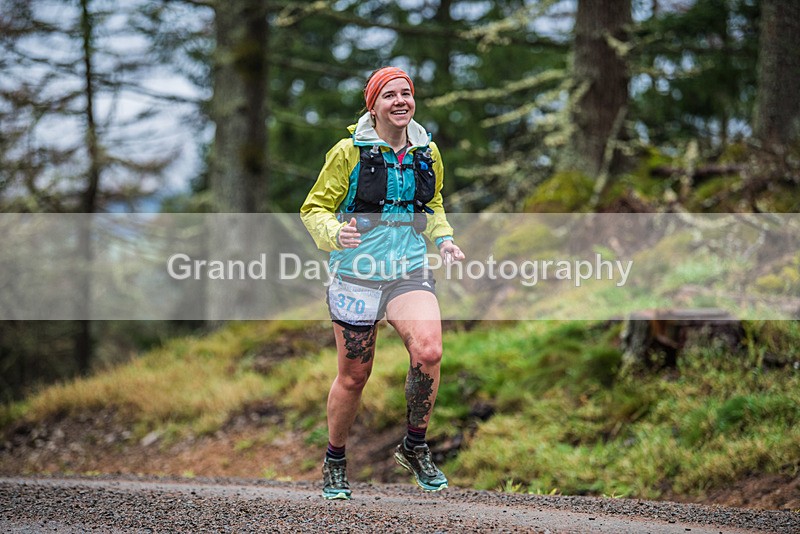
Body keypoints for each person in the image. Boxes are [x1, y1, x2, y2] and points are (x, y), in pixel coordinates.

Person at [300, 66, 465, 500]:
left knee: (429, 350)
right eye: (389, 95)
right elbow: (314, 208)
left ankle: (414, 445)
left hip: (408, 270)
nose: (400, 102)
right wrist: (336, 234)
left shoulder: (427, 152)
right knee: (355, 376)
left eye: (406, 94)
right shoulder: (347, 152)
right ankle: (335, 459)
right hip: (356, 274)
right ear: (372, 105)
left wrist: (444, 239)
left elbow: (431, 204)